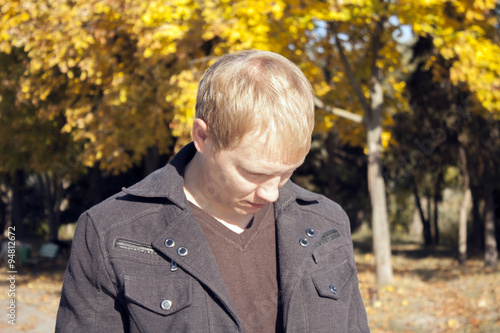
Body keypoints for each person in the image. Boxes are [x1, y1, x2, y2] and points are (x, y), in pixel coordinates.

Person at [56, 50, 369, 332]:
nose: (272, 193)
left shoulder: (327, 223)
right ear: (202, 137)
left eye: (288, 171)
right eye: (254, 173)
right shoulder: (110, 232)